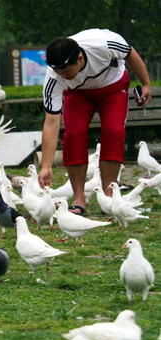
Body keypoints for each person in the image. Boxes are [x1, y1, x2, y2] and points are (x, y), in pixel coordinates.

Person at [39, 28, 151, 214]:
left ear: (80, 58)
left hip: (112, 86)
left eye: (66, 72)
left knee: (114, 130)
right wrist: (46, 166)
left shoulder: (104, 44)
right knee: (73, 134)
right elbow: (51, 123)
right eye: (59, 73)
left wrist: (146, 83)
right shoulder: (54, 76)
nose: (63, 76)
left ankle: (108, 197)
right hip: (78, 93)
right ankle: (79, 198)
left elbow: (130, 53)